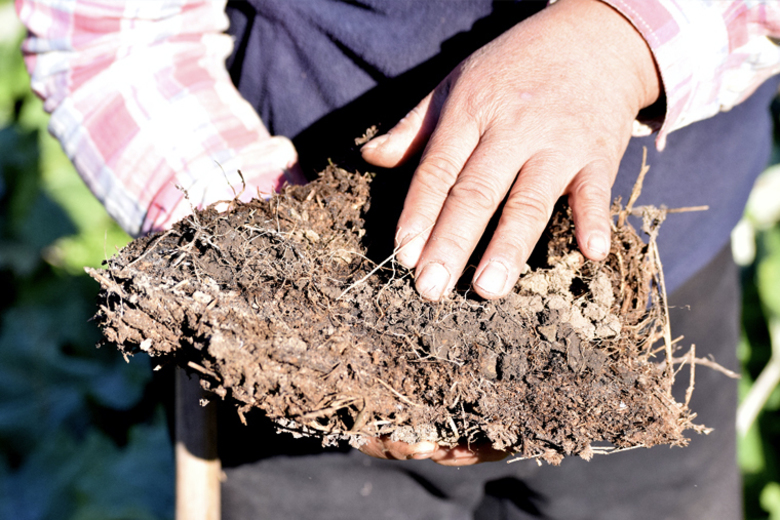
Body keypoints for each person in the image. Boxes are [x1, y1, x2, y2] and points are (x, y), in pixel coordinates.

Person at [16, 0, 780, 518]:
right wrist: (266, 283)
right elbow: (113, 39)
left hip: (645, 330)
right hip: (300, 348)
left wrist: (621, 39)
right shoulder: (290, 307)